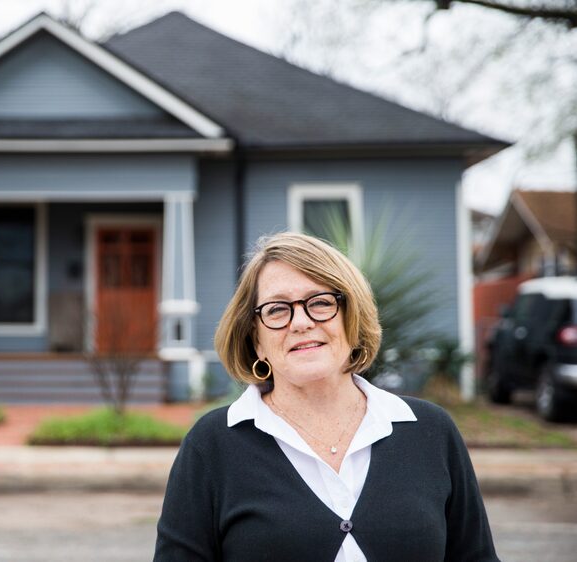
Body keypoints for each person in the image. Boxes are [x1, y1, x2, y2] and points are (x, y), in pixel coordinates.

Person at [154, 232, 498, 562]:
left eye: (320, 302)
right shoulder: (212, 445)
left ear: (353, 320)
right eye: (276, 310)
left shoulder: (430, 431)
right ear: (256, 340)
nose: (301, 322)